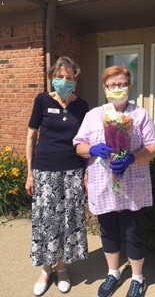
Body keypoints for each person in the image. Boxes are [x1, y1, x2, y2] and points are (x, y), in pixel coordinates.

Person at [73, 65, 155, 297]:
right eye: (113, 85)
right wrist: (92, 148)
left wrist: (132, 157)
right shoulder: (93, 116)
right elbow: (78, 145)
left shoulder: (140, 115)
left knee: (134, 231)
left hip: (132, 183)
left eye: (122, 84)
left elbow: (153, 148)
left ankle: (138, 277)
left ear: (129, 86)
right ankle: (113, 272)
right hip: (103, 183)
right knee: (108, 231)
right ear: (105, 88)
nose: (117, 88)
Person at [25, 56, 89, 296]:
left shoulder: (82, 106)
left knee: (68, 221)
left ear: (75, 79)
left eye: (69, 78)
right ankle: (45, 269)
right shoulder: (41, 101)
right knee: (46, 222)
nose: (64, 81)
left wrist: (87, 174)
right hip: (44, 171)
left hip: (73, 171)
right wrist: (29, 174)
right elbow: (31, 137)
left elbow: (86, 141)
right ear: (52, 77)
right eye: (59, 77)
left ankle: (62, 268)